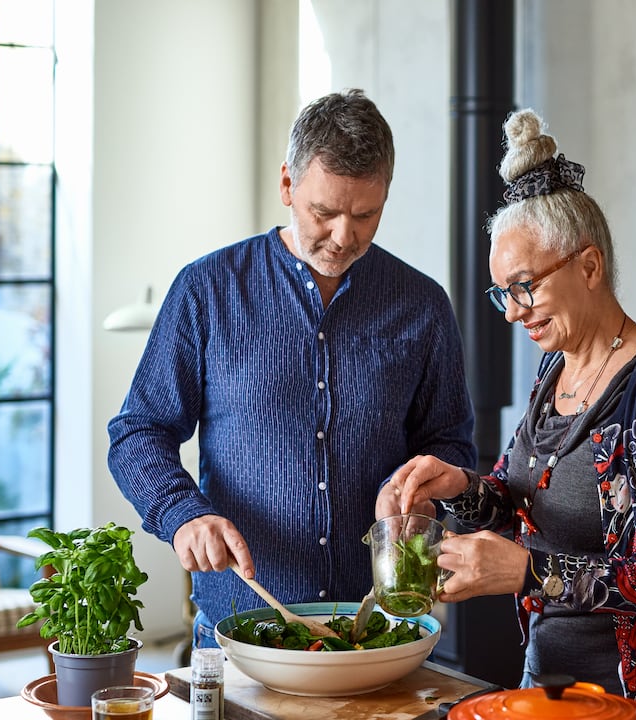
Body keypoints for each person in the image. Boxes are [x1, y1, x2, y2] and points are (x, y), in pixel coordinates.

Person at [378, 109, 636, 719]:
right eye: (501, 295)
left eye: (524, 287)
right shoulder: (553, 373)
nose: (512, 313)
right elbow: (523, 502)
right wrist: (459, 489)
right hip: (550, 692)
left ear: (588, 267)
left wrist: (530, 573)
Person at [108, 89, 476, 649]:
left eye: (366, 215)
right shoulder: (207, 291)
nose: (344, 236)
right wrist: (182, 513)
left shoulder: (423, 305)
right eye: (323, 212)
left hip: (377, 630)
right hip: (241, 628)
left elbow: (451, 445)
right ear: (287, 185)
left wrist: (428, 489)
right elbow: (137, 432)